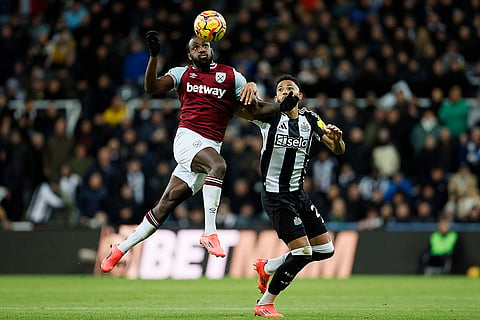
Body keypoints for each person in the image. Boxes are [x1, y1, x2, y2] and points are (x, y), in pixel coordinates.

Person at [101, 32, 279, 272]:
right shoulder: (181, 73)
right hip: (188, 140)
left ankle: (121, 248)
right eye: (196, 47)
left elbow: (254, 110)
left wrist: (278, 102)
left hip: (209, 147)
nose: (201, 49)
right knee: (219, 166)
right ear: (190, 55)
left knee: (164, 207)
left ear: (212, 48)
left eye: (205, 45)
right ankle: (210, 232)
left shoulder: (231, 76)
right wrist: (154, 57)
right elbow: (151, 87)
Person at [252, 74, 345, 317]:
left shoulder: (311, 119)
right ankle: (265, 303)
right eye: (280, 89)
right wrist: (248, 87)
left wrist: (337, 140)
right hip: (276, 197)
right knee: (303, 252)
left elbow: (337, 149)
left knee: (325, 250)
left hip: (299, 195)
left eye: (290, 88)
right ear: (276, 97)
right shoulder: (269, 117)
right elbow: (239, 108)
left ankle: (268, 266)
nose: (285, 91)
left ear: (299, 96)